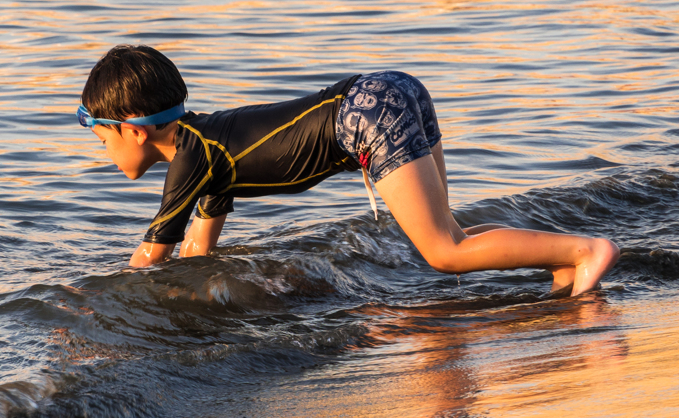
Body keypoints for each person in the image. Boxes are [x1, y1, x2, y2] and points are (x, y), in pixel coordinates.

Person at [77, 45, 619, 296]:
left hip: (365, 114)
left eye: (101, 137)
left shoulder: (190, 157)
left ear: (134, 128)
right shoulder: (206, 148)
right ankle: (563, 261)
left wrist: (95, 308)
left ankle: (584, 250)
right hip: (387, 88)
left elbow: (149, 260)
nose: (103, 150)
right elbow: (198, 252)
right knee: (448, 234)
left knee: (442, 253)